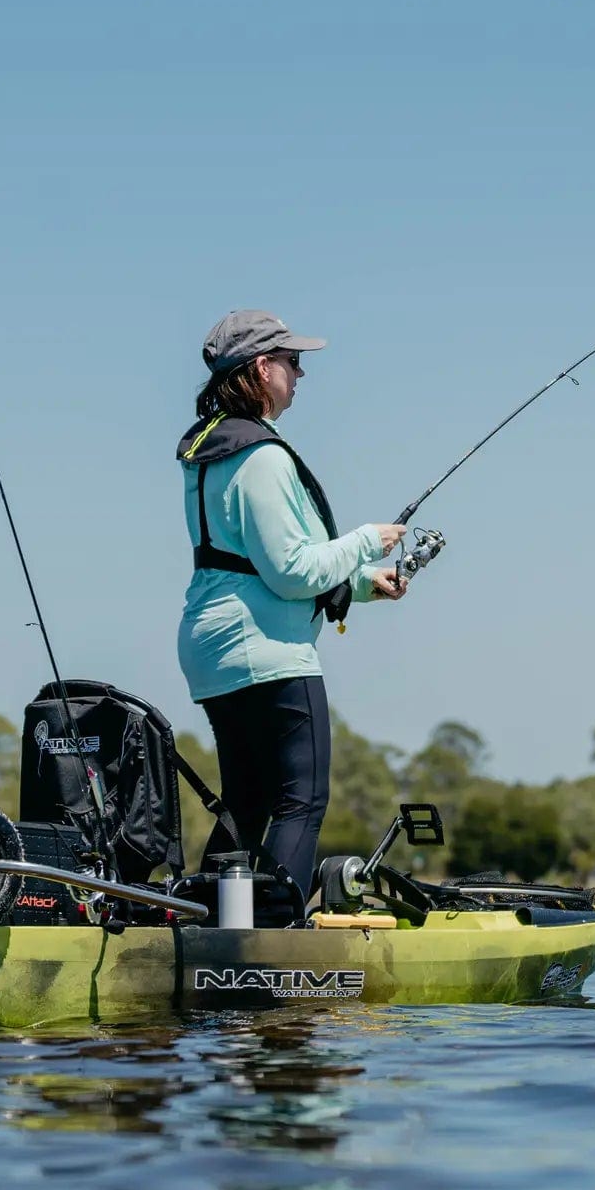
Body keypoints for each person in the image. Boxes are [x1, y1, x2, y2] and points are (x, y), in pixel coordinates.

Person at [174, 308, 408, 893]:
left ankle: (210, 924)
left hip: (215, 646)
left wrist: (360, 584)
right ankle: (277, 933)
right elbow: (291, 569)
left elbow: (254, 559)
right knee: (302, 801)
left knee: (248, 805)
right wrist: (362, 543)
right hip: (268, 653)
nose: (300, 375)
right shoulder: (263, 457)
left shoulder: (212, 454)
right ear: (261, 368)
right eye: (292, 362)